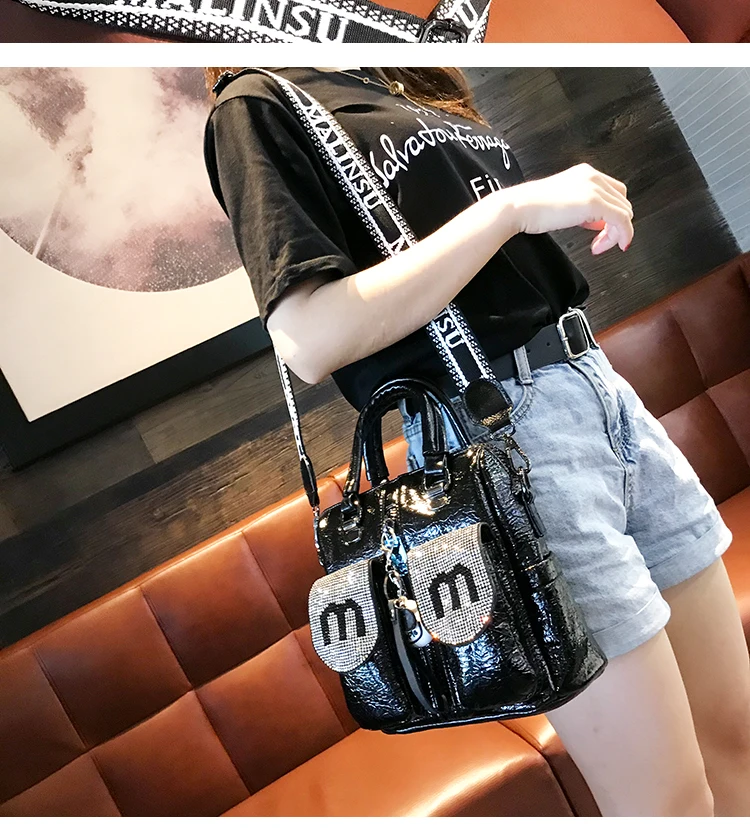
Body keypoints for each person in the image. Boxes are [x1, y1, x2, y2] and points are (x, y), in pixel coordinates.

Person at [203, 67, 750, 817]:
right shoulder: (258, 102)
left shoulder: (393, 72)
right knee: (668, 805)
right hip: (502, 441)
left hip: (597, 390)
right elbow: (310, 336)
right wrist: (511, 208)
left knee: (738, 741)